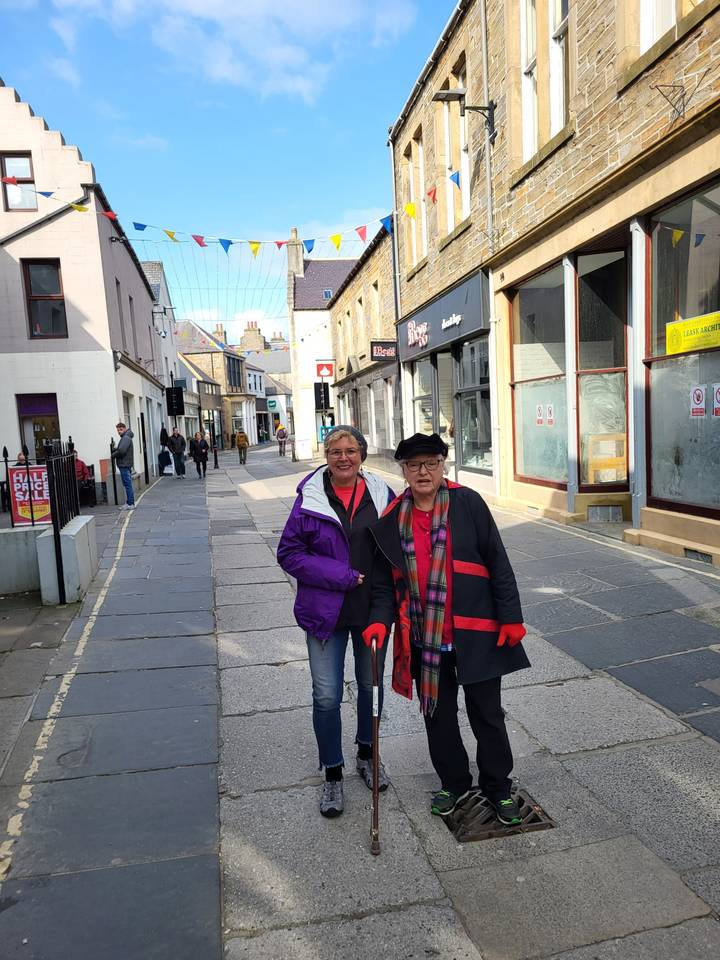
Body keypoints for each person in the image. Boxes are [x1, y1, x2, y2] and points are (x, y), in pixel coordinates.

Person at [366, 433, 530, 825]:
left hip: (477, 631)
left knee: (487, 714)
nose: (423, 472)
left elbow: (498, 561)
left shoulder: (468, 503)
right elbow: (385, 585)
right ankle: (453, 783)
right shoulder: (392, 518)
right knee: (437, 716)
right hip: (424, 638)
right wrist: (378, 621)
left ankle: (498, 786)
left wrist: (511, 617)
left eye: (431, 463)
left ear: (443, 465)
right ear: (403, 470)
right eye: (414, 465)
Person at [277, 426, 395, 819]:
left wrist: (387, 609)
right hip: (324, 613)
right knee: (326, 695)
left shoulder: (381, 495)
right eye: (335, 451)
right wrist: (339, 576)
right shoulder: (310, 498)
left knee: (371, 686)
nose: (343, 457)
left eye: (351, 450)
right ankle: (332, 771)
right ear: (325, 456)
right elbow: (289, 553)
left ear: (362, 454)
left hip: (371, 611)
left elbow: (393, 554)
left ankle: (367, 754)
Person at [111, 422, 135, 510]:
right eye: (118, 430)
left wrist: (113, 455)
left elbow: (121, 451)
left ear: (125, 429)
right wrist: (116, 449)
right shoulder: (126, 437)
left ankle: (130, 503)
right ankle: (129, 503)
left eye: (121, 430)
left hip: (124, 464)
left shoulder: (126, 438)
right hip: (126, 464)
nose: (119, 432)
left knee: (127, 484)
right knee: (128, 484)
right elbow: (121, 449)